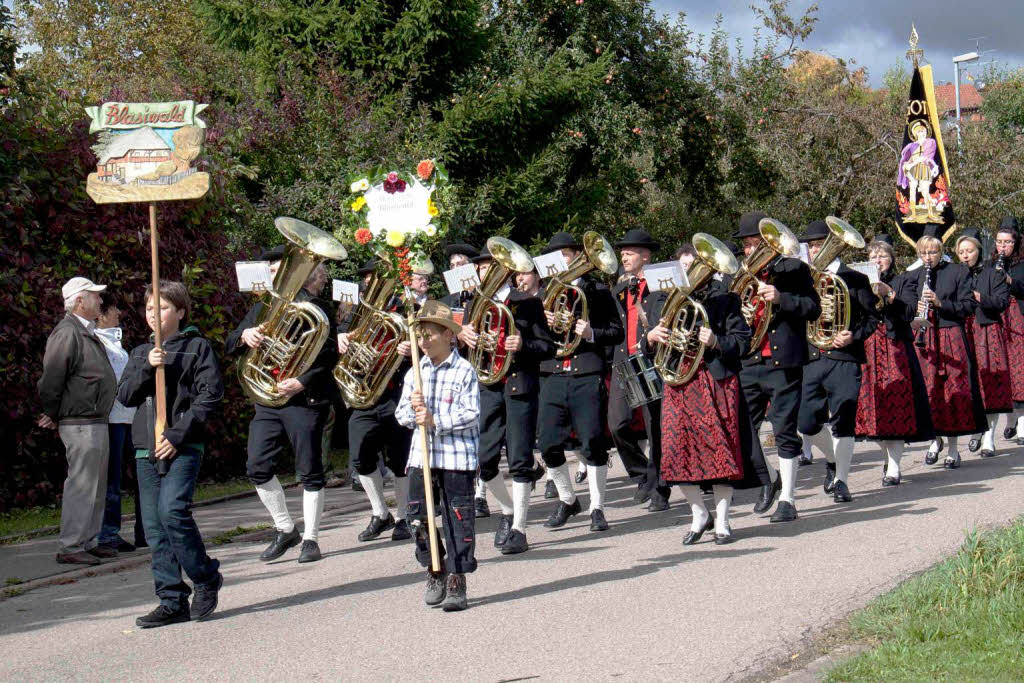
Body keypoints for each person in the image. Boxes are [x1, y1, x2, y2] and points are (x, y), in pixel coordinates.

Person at [117, 281, 224, 628]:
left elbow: (209, 397)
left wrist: (176, 435)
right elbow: (126, 396)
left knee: (173, 512)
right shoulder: (139, 353)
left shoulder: (198, 348)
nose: (153, 314)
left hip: (182, 446)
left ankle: (206, 576)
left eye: (161, 308)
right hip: (146, 450)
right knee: (153, 528)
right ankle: (171, 598)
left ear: (180, 312)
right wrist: (147, 366)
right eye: (149, 308)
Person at [226, 246, 339, 563]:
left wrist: (302, 381)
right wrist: (245, 335)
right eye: (273, 270)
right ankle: (285, 528)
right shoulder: (263, 306)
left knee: (309, 470)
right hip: (269, 398)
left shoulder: (317, 308)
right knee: (257, 466)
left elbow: (331, 356)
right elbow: (229, 342)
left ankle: (311, 539)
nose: (275, 275)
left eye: (280, 270)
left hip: (304, 399)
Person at [647, 258, 763, 544]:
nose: (690, 272)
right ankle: (699, 513)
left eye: (695, 265)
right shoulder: (660, 299)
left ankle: (723, 520)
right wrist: (650, 337)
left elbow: (742, 343)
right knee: (676, 452)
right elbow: (648, 344)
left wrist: (715, 341)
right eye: (684, 266)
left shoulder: (725, 299)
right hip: (679, 382)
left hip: (715, 380)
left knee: (720, 451)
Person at [460, 243, 555, 554]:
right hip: (487, 386)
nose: (484, 271)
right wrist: (464, 337)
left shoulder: (527, 303)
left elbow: (548, 347)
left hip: (518, 385)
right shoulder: (475, 303)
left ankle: (519, 528)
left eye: (489, 266)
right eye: (482, 267)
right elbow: (465, 350)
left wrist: (523, 343)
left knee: (519, 460)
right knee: (483, 461)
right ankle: (508, 508)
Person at [732, 213, 820, 523]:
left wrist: (782, 298)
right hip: (748, 360)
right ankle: (770, 478)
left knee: (783, 429)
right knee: (741, 427)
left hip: (783, 362)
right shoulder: (738, 276)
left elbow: (813, 308)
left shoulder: (794, 269)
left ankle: (788, 499)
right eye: (746, 245)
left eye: (757, 243)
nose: (751, 250)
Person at [395, 301, 480, 612]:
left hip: (456, 457)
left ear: (448, 334)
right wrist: (413, 408)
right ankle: (435, 569)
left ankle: (458, 578)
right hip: (421, 457)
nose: (423, 342)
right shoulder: (414, 373)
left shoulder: (464, 370)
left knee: (459, 519)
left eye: (429, 335)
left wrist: (434, 419)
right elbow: (402, 414)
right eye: (419, 336)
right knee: (418, 517)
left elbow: (470, 414)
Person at [537, 232, 623, 532]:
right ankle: (568, 499)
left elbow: (617, 332)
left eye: (563, 255)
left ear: (576, 256)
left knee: (593, 442)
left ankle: (598, 507)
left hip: (586, 371)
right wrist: (542, 325)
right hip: (553, 372)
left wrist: (591, 334)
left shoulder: (597, 290)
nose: (559, 261)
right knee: (547, 444)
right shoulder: (544, 292)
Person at [37, 276, 117, 566]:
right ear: (79, 301)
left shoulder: (84, 331)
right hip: (80, 421)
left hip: (93, 419)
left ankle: (88, 541)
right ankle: (71, 544)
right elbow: (51, 379)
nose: (100, 300)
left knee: (95, 484)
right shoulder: (68, 332)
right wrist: (54, 412)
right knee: (82, 484)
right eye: (94, 296)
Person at [797, 220, 879, 504]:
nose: (816, 250)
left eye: (820, 244)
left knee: (844, 420)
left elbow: (872, 320)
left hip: (844, 358)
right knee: (806, 423)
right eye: (812, 246)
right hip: (812, 358)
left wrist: (852, 336)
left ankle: (842, 480)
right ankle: (831, 459)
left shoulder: (855, 279)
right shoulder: (803, 279)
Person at [338, 259, 413, 542]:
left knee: (400, 459)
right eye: (368, 281)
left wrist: (410, 347)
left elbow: (426, 341)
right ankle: (381, 513)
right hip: (363, 393)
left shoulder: (404, 310)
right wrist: (341, 337)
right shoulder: (353, 314)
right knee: (361, 456)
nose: (372, 285)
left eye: (378, 280)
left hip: (394, 392)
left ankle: (405, 516)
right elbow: (337, 342)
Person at [854, 235, 934, 486]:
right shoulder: (859, 282)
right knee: (873, 407)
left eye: (883, 256)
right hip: (868, 348)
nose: (878, 260)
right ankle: (886, 458)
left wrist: (890, 293)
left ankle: (895, 467)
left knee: (896, 405)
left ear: (892, 259)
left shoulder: (904, 280)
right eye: (873, 256)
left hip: (894, 346)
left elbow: (910, 312)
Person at [909, 232, 987, 469]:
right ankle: (935, 440)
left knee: (952, 392)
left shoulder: (957, 271)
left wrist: (941, 303)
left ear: (941, 251)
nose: (928, 257)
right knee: (929, 390)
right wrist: (917, 307)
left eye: (932, 252)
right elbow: (906, 306)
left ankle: (953, 450)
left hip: (950, 334)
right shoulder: (916, 275)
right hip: (925, 337)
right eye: (923, 252)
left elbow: (968, 306)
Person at [607, 229, 671, 510]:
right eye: (623, 252)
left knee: (655, 427)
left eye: (629, 252)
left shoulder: (661, 286)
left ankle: (660, 488)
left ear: (645, 256)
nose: (623, 256)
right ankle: (643, 473)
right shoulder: (620, 288)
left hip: (651, 360)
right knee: (617, 424)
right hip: (625, 360)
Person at [956, 228, 1012, 458]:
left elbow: (1001, 303)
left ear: (978, 251)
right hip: (962, 332)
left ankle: (989, 437)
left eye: (969, 251)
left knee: (990, 383)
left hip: (985, 330)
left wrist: (981, 298)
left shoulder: (992, 273)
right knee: (968, 383)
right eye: (961, 252)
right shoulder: (954, 273)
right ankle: (976, 431)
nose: (965, 255)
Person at [95, 291, 139, 552]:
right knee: (110, 478)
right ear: (101, 316)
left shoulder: (114, 340)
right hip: (111, 417)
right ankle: (106, 533)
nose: (118, 313)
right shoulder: (98, 341)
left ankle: (111, 531)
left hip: (125, 415)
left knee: (118, 477)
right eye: (113, 309)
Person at [993, 217, 1024, 444]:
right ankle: (1010, 420)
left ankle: (1022, 423)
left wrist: (1009, 280)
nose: (1002, 246)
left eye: (1007, 242)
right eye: (999, 242)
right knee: (1002, 369)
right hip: (997, 320)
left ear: (1017, 243)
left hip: (1018, 319)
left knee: (1020, 370)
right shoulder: (990, 263)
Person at [441, 242, 479, 309]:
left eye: (460, 264)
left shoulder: (483, 298)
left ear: (474, 267)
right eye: (452, 265)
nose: (455, 268)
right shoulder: (443, 304)